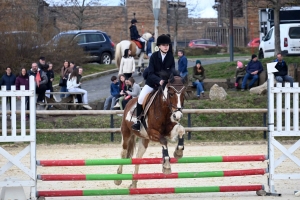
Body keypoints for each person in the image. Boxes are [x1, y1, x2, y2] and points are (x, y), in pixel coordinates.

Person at [132, 34, 177, 131]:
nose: (166, 47)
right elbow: (151, 73)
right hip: (152, 83)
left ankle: (173, 118)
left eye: (167, 45)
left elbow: (172, 70)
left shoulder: (170, 57)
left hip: (165, 84)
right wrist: (159, 80)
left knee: (174, 97)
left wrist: (176, 78)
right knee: (141, 98)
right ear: (159, 46)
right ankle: (138, 121)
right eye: (164, 45)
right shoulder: (153, 57)